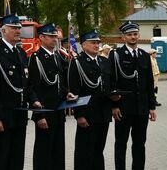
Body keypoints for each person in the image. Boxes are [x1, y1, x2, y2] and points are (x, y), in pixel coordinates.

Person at [0, 14, 41, 170]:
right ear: (4, 31)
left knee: (17, 160)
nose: (18, 31)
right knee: (1, 160)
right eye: (14, 28)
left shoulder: (21, 53)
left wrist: (34, 100)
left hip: (19, 116)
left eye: (19, 28)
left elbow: (26, 83)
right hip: (3, 117)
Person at [109, 21, 157, 170]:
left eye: (135, 34)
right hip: (123, 108)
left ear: (139, 35)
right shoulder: (116, 55)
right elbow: (112, 82)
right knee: (121, 143)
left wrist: (152, 107)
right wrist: (114, 105)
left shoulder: (144, 55)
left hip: (141, 109)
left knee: (140, 143)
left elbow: (149, 83)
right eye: (129, 35)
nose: (133, 37)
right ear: (123, 37)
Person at [28, 22, 75, 170]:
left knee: (58, 152)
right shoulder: (36, 58)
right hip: (45, 112)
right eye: (51, 36)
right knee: (44, 153)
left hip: (58, 112)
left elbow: (60, 82)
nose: (55, 39)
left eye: (55, 36)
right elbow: (32, 88)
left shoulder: (57, 56)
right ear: (41, 37)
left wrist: (67, 93)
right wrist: (39, 115)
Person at [68, 29, 114, 170]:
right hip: (87, 114)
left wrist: (115, 100)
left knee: (98, 150)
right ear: (84, 45)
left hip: (104, 113)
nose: (96, 45)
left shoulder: (104, 61)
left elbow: (110, 85)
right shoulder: (77, 62)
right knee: (84, 151)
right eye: (93, 42)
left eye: (98, 42)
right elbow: (74, 90)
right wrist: (79, 115)